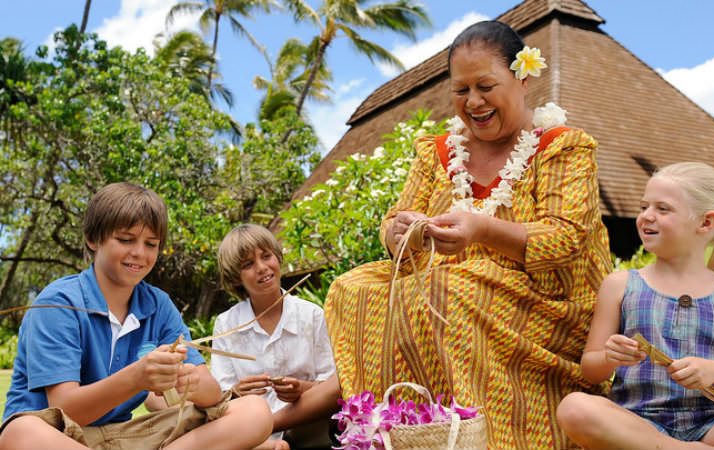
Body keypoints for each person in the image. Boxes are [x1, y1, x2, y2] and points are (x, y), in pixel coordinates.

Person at [324, 20, 612, 449]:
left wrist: (481, 229)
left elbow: (564, 239)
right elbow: (394, 221)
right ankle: (400, 433)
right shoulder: (437, 152)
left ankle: (487, 439)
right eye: (461, 91)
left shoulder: (562, 146)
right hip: (446, 287)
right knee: (351, 290)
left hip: (548, 301)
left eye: (485, 86)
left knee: (449, 289)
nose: (473, 102)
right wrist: (403, 233)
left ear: (523, 77)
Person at [0, 182, 272, 450]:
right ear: (92, 239)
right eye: (125, 240)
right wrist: (136, 378)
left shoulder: (159, 305)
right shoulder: (59, 304)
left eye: (151, 244)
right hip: (63, 436)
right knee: (20, 433)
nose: (140, 253)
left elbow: (211, 395)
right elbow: (67, 409)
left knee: (255, 411)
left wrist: (190, 381)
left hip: (129, 436)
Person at [556, 162, 714, 449]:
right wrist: (610, 356)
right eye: (644, 207)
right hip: (638, 420)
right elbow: (591, 370)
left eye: (662, 209)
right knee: (575, 407)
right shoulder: (620, 284)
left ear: (706, 223)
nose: (646, 216)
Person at [211, 224, 336, 449]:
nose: (261, 267)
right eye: (248, 264)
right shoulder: (226, 324)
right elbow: (220, 396)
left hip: (311, 430)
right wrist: (236, 392)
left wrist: (303, 389)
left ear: (277, 258)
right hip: (253, 435)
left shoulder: (311, 315)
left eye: (266, 256)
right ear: (236, 278)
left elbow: (331, 384)